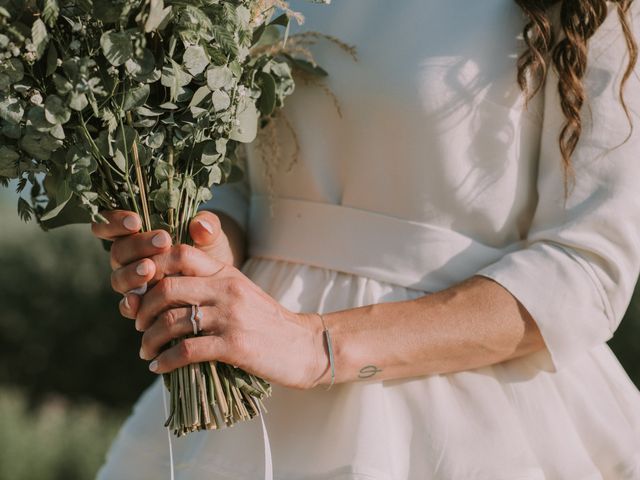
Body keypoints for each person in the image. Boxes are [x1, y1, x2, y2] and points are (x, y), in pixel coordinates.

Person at [94, 1, 640, 478]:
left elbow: (586, 267)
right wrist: (204, 242)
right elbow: (249, 179)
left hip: (461, 405)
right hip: (247, 372)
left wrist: (314, 346)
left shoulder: (593, 7)